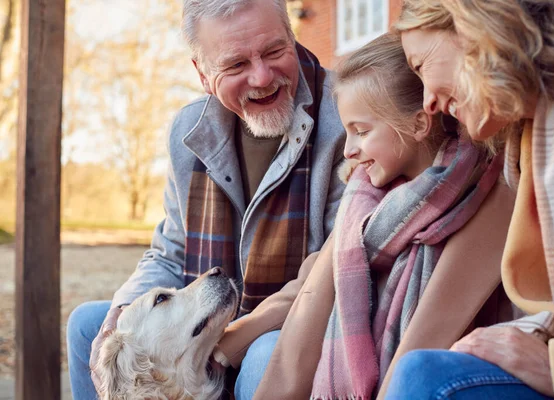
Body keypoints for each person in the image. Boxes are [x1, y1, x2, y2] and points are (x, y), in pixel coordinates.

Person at [65, 0, 347, 398]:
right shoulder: (189, 130)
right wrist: (122, 311)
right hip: (213, 308)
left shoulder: (347, 113)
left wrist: (233, 338)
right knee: (90, 327)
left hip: (302, 318)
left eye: (274, 51)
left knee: (266, 354)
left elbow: (338, 267)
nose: (262, 76)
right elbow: (171, 251)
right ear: (202, 73)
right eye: (235, 65)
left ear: (291, 36)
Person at [251, 32, 518, 400]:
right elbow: (310, 291)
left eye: (360, 131)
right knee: (256, 358)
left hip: (455, 377)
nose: (348, 151)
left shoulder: (482, 190)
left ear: (419, 124)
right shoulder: (363, 201)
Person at [387, 1, 554, 399]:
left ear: (473, 26)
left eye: (420, 65)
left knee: (427, 378)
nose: (428, 102)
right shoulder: (536, 134)